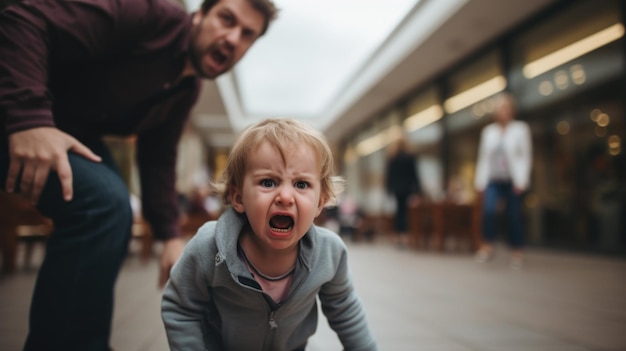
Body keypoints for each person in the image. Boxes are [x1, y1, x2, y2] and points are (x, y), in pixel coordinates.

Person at [0, 0, 278, 349]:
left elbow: (158, 157)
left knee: (111, 207)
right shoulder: (148, 15)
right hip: (15, 101)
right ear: (199, 15)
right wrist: (29, 118)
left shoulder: (186, 88)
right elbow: (23, 18)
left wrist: (169, 235)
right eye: (226, 19)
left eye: (247, 34)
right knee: (104, 205)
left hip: (65, 127)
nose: (232, 37)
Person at [161, 118, 378, 351]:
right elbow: (181, 308)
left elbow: (345, 309)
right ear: (238, 197)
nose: (285, 196)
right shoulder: (209, 246)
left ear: (320, 203)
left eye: (302, 184)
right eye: (268, 182)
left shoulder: (329, 253)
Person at [473, 92, 532, 269]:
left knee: (514, 216)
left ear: (512, 110)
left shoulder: (520, 129)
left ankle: (517, 251)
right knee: (488, 212)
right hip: (493, 180)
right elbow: (483, 158)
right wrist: (479, 183)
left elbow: (526, 156)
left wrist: (522, 181)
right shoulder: (489, 132)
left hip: (513, 181)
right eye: (500, 108)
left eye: (506, 108)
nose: (503, 112)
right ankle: (487, 247)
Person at [384, 136, 422, 248]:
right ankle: (405, 236)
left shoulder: (392, 157)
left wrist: (388, 189)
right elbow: (414, 175)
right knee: (405, 212)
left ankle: (399, 236)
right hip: (407, 189)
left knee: (399, 212)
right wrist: (418, 190)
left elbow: (389, 176)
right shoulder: (409, 157)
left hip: (397, 190)